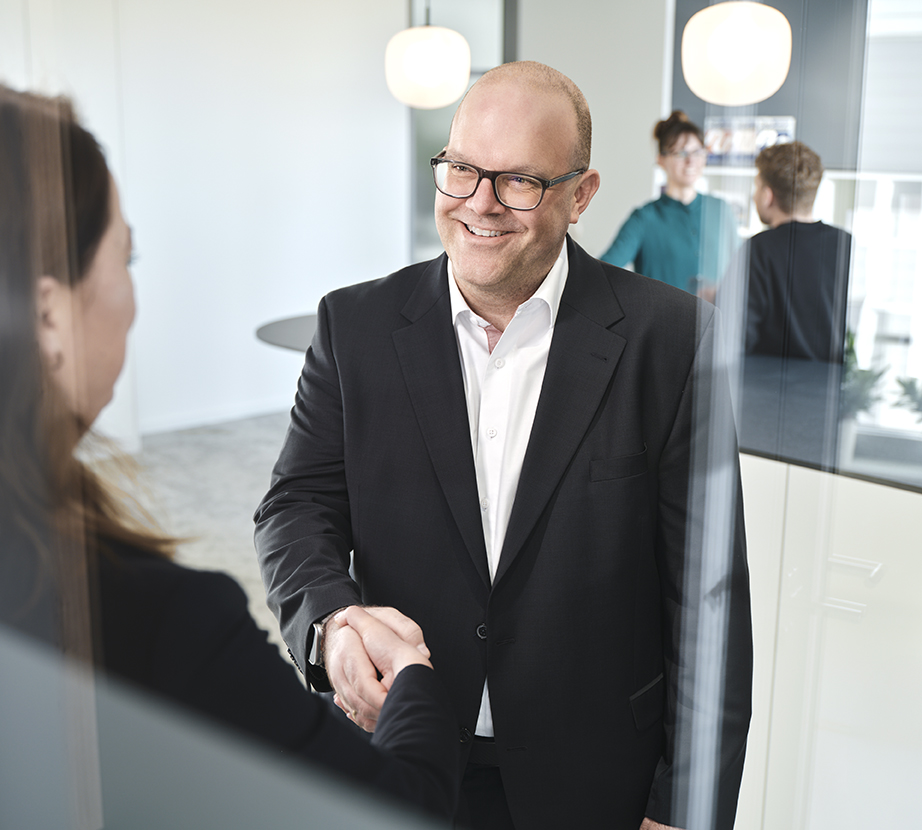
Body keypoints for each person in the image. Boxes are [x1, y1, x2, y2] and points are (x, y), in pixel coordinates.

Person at [0, 79, 459, 817]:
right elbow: (397, 811)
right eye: (126, 260)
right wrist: (415, 674)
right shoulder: (155, 621)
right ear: (50, 315)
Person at [255, 62, 753, 830]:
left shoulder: (674, 340)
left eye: (518, 180)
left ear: (580, 195)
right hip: (404, 754)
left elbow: (708, 602)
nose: (478, 204)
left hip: (599, 784)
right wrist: (331, 624)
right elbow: (297, 508)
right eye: (460, 170)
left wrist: (683, 808)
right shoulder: (351, 327)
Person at [729, 141, 852, 362]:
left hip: (767, 388)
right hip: (827, 389)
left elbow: (737, 334)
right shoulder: (843, 243)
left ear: (768, 195)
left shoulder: (759, 248)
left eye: (756, 186)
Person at [601, 111, 740, 300]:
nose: (691, 161)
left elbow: (741, 272)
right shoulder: (645, 218)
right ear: (661, 159)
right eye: (680, 153)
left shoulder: (721, 210)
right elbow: (604, 271)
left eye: (697, 152)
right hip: (663, 325)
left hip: (716, 324)